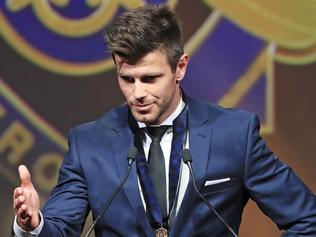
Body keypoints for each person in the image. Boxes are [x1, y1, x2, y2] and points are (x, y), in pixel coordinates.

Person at [13, 4, 316, 237]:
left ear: (180, 67)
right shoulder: (89, 143)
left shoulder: (234, 134)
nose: (137, 93)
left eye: (150, 78)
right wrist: (33, 224)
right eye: (127, 79)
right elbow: (58, 228)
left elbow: (307, 219)